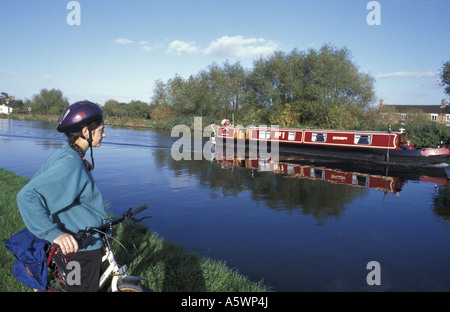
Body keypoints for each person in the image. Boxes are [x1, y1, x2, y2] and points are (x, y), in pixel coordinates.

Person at [16, 101, 108, 292]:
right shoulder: (70, 163)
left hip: (82, 245)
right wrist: (53, 233)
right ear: (86, 132)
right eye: (101, 130)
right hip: (81, 251)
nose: (104, 134)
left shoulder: (68, 155)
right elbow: (27, 196)